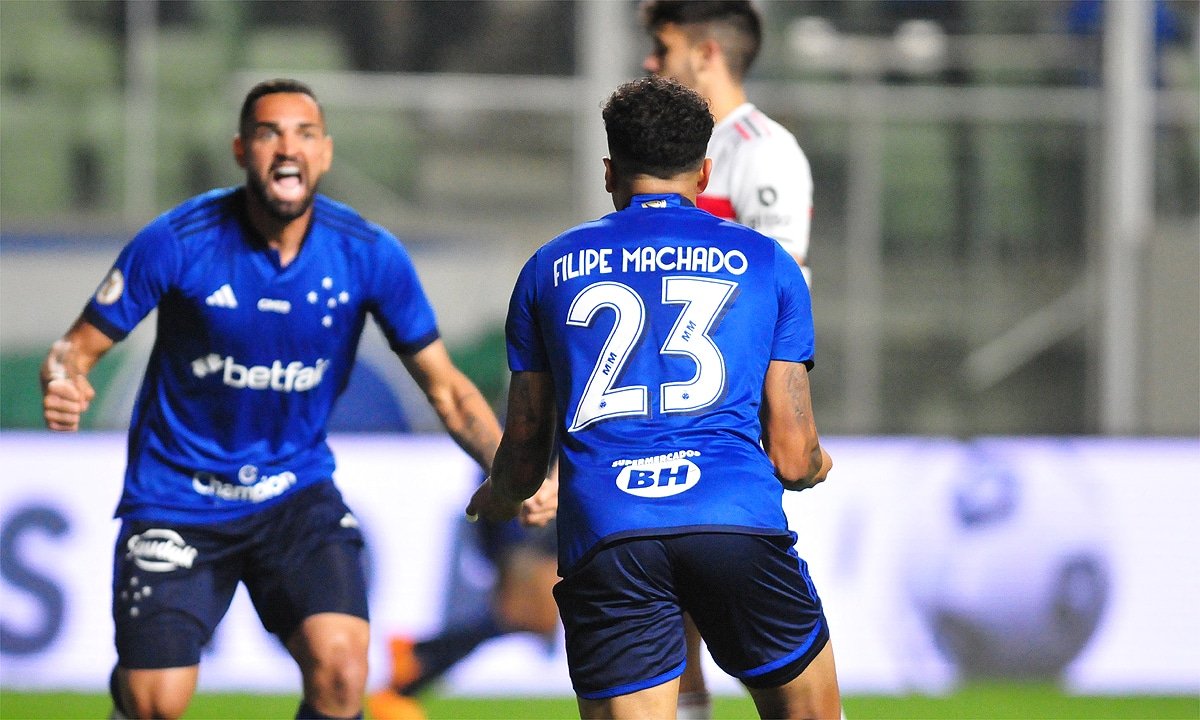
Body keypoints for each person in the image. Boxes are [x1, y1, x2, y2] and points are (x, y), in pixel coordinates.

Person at [39, 78, 507, 720]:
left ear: (325, 153)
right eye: (269, 133)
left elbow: (449, 390)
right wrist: (64, 380)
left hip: (294, 495)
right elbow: (76, 348)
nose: (287, 147)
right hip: (179, 499)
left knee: (344, 668)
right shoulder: (179, 240)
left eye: (304, 134)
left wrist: (514, 470)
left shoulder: (368, 254)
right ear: (241, 150)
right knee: (156, 702)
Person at [467, 76, 841, 720]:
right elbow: (790, 453)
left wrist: (500, 495)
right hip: (733, 521)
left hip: (612, 532)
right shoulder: (768, 263)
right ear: (704, 171)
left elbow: (525, 450)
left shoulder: (547, 269)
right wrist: (815, 465)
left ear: (610, 171)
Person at [641, 0, 815, 286]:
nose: (650, 62)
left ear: (706, 54)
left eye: (663, 49)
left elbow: (776, 282)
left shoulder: (765, 150)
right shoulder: (670, 141)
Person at [368, 474, 561, 720]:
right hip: (524, 490)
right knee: (524, 612)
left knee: (529, 617)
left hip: (535, 490)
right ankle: (414, 664)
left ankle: (417, 656)